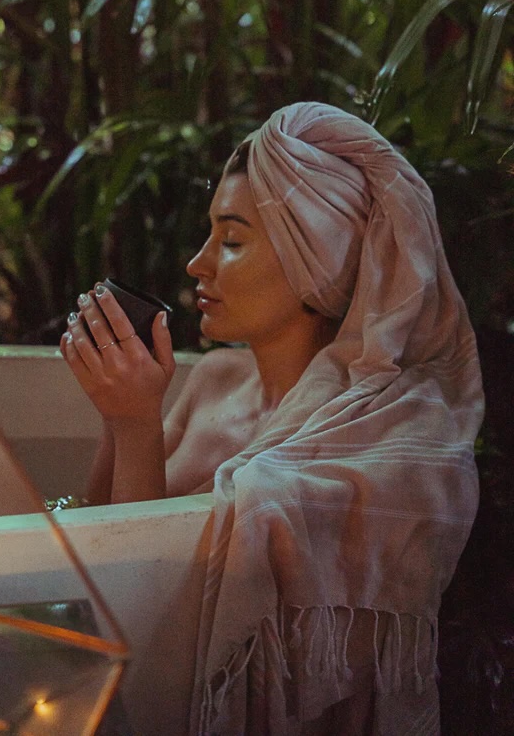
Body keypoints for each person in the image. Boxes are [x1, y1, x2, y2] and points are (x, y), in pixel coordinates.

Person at [61, 103, 483, 735]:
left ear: (319, 259)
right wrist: (119, 413)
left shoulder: (381, 442)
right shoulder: (214, 378)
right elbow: (97, 554)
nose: (198, 264)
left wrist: (137, 426)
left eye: (231, 241)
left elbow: (156, 629)